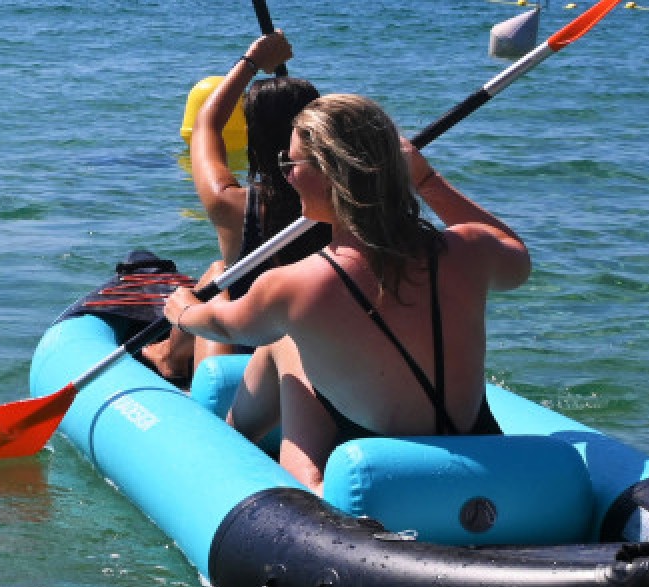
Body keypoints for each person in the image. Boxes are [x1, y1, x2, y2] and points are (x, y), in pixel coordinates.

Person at [164, 93, 531, 494]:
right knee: (288, 340)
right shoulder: (471, 248)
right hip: (477, 441)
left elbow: (227, 326)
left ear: (331, 173)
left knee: (284, 342)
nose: (285, 175)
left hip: (378, 469)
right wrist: (427, 180)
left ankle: (248, 458)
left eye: (292, 163)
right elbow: (517, 258)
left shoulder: (295, 284)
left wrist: (183, 311)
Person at [140, 31, 331, 386]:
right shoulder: (353, 204)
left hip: (247, 361)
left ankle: (169, 356)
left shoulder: (234, 204)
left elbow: (205, 127)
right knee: (219, 271)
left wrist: (252, 61)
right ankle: (168, 351)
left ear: (253, 137)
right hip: (324, 346)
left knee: (221, 278)